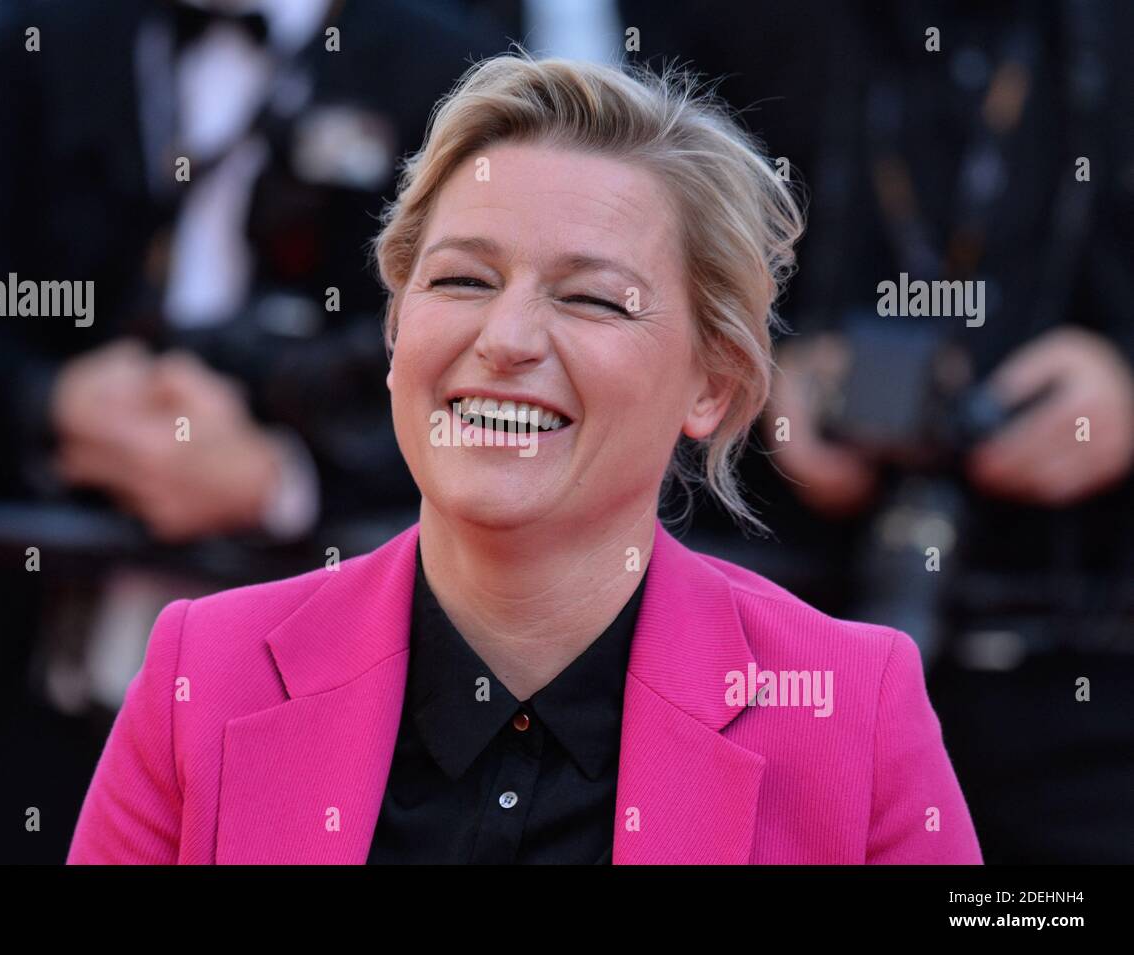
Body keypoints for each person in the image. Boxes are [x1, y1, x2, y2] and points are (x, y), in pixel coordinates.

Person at [67, 53, 982, 865]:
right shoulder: (204, 677)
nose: (505, 339)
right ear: (395, 333)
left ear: (715, 384)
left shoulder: (851, 711)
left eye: (592, 299)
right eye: (463, 279)